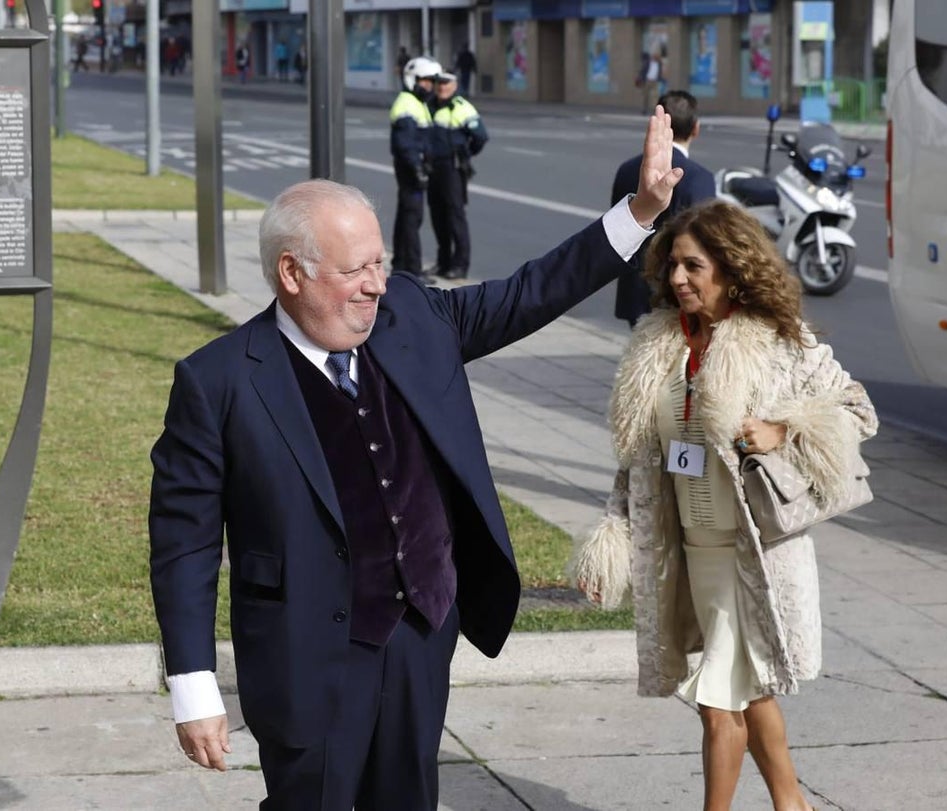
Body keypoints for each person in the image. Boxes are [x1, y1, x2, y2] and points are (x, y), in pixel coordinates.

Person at [149, 107, 685, 810]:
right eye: (356, 270)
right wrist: (192, 687)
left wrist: (640, 210)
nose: (376, 283)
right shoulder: (218, 381)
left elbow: (530, 291)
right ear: (291, 273)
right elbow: (183, 547)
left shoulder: (411, 316)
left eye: (381, 262)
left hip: (420, 637)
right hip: (306, 656)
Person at [573, 200, 878, 811]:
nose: (679, 279)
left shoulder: (778, 345)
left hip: (754, 557)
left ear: (731, 269)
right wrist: (613, 532)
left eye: (694, 266)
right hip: (694, 554)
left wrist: (784, 428)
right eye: (673, 267)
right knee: (748, 691)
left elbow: (856, 409)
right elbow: (637, 459)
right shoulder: (658, 346)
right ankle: (792, 805)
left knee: (718, 705)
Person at [612, 89, 715, 328]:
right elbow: (705, 242)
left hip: (634, 291)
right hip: (676, 295)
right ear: (695, 128)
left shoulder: (627, 169)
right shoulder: (698, 178)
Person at [427, 72, 488, 280]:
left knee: (455, 216)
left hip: (452, 168)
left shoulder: (462, 107)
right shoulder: (430, 104)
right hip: (433, 167)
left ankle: (460, 265)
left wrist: (465, 155)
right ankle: (443, 262)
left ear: (455, 85)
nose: (442, 87)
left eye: (446, 83)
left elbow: (480, 136)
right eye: (439, 83)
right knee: (438, 216)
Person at [389, 56, 441, 279]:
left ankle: (400, 265)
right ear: (413, 80)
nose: (428, 86)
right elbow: (405, 144)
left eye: (431, 81)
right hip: (411, 171)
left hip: (413, 169)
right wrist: (418, 169)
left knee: (405, 218)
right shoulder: (407, 104)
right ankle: (412, 270)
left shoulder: (416, 103)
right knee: (412, 219)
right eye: (425, 81)